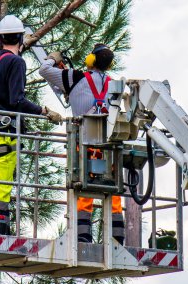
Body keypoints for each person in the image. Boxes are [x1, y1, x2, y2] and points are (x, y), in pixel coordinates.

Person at [39, 44, 124, 244]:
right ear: (109, 64)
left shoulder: (75, 77)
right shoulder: (115, 84)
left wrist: (53, 58)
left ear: (90, 60)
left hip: (84, 143)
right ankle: (117, 239)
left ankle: (83, 237)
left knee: (83, 190)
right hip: (109, 146)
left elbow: (44, 71)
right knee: (113, 191)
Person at [0, 15, 62, 235]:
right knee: (2, 181)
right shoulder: (17, 62)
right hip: (5, 131)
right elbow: (17, 100)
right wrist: (44, 112)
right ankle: (0, 229)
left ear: (0, 39)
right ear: (20, 37)